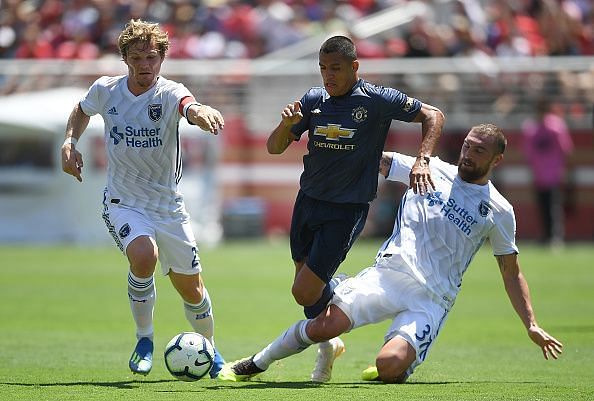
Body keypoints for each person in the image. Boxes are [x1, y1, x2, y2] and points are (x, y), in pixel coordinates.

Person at [220, 123, 563, 383]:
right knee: (324, 327)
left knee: (389, 367)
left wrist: (531, 324)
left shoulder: (499, 210)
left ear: (496, 160)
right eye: (467, 146)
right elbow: (376, 160)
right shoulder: (427, 168)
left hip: (431, 298)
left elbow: (510, 271)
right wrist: (337, 140)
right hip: (388, 275)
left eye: (479, 151)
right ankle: (256, 363)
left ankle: (385, 348)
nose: (468, 155)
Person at [265, 35, 444, 382]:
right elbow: (274, 147)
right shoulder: (313, 100)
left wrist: (422, 160)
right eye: (322, 68)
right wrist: (286, 125)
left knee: (304, 290)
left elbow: (433, 115)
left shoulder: (376, 100)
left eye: (335, 68)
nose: (327, 76)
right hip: (308, 203)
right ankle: (329, 345)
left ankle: (338, 292)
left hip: (345, 210)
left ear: (354, 67)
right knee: (310, 297)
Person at [60, 19, 226, 378]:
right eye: (137, 57)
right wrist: (70, 141)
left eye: (152, 57)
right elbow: (81, 110)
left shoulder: (169, 92)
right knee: (143, 254)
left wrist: (202, 113)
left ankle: (212, 352)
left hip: (167, 206)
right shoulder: (106, 90)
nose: (145, 65)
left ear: (162, 58)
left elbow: (188, 106)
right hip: (123, 201)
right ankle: (145, 339)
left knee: (192, 290)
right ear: (125, 58)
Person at [521, 97, 573, 247]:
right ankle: (546, 235)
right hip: (539, 175)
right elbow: (528, 153)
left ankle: (555, 237)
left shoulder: (556, 126)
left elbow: (565, 150)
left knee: (553, 207)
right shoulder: (531, 128)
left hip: (554, 175)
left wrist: (566, 170)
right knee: (543, 207)